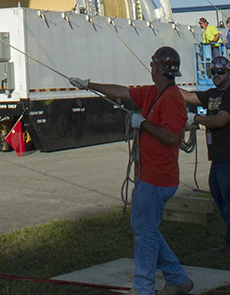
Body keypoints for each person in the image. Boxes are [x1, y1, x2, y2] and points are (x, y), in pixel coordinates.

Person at [72, 47, 194, 295]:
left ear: (159, 69)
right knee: (144, 229)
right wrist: (89, 85)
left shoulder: (172, 99)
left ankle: (144, 288)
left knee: (145, 235)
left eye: (152, 66)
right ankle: (177, 279)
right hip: (148, 175)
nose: (150, 69)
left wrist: (145, 124)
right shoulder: (152, 93)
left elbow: (172, 137)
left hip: (157, 178)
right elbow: (122, 91)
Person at [192, 55, 230, 254]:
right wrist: (168, 88)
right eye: (213, 73)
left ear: (228, 73)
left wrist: (195, 118)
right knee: (218, 195)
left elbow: (219, 121)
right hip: (219, 156)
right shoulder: (212, 95)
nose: (216, 76)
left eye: (220, 72)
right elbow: (190, 97)